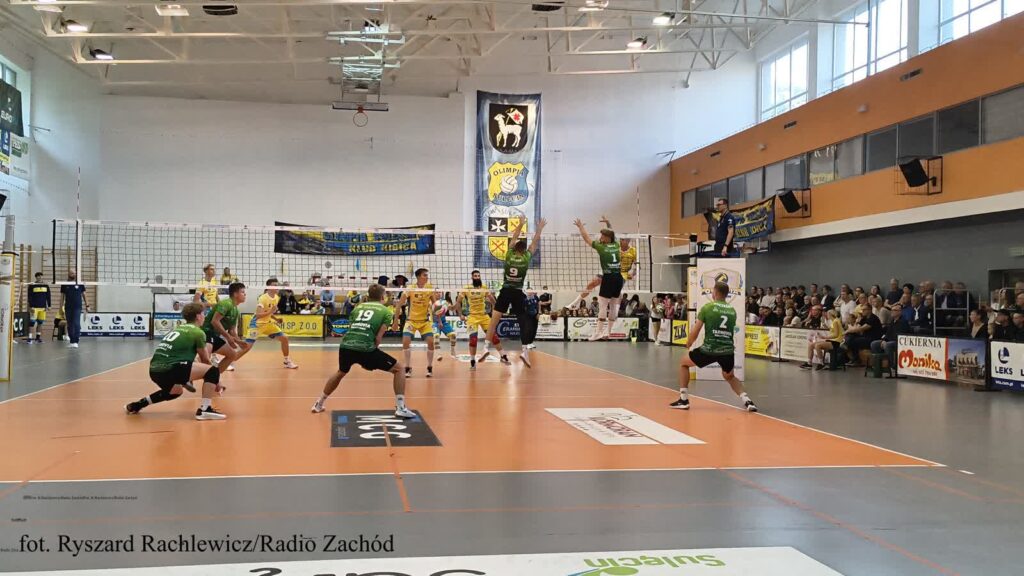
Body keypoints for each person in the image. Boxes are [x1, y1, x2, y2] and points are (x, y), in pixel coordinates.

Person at [313, 284, 414, 418]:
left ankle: (319, 404)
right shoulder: (386, 312)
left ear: (368, 296)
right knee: (399, 369)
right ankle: (401, 407)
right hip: (365, 348)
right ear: (383, 297)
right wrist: (369, 360)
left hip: (346, 345)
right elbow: (378, 339)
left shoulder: (358, 308)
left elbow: (353, 328)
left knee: (340, 372)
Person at [125, 303, 226, 420]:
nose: (204, 316)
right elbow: (205, 360)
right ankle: (205, 410)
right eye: (203, 314)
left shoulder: (178, 329)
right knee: (213, 371)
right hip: (171, 368)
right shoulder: (198, 332)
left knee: (175, 391)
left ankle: (138, 404)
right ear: (198, 316)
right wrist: (217, 381)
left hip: (154, 370)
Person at [672, 281, 756, 412]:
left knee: (683, 363)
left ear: (715, 292)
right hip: (727, 350)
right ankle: (748, 401)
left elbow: (696, 329)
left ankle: (683, 399)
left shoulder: (708, 307)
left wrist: (689, 343)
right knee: (729, 376)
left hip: (709, 349)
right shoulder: (732, 311)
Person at [482, 217, 546, 367]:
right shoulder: (526, 258)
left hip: (505, 291)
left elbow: (514, 236)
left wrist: (521, 224)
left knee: (494, 320)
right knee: (523, 322)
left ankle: (485, 347)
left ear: (515, 247)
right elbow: (535, 242)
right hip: (517, 292)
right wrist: (539, 229)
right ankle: (524, 351)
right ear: (524, 250)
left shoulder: (509, 255)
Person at [457, 270, 508, 370]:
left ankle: (503, 356)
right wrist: (460, 315)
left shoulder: (484, 288)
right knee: (473, 340)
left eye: (478, 276)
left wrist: (496, 311)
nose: (477, 277)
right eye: (475, 276)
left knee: (494, 337)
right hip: (472, 317)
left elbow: (493, 300)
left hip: (484, 316)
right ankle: (472, 361)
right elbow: (458, 302)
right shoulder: (466, 288)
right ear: (472, 277)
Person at [392, 268, 437, 377]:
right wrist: (395, 322)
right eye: (424, 275)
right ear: (418, 277)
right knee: (405, 342)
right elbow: (399, 305)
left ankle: (429, 367)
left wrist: (441, 308)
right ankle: (408, 367)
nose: (427, 277)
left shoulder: (429, 288)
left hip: (424, 322)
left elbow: (435, 304)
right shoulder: (410, 288)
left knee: (431, 343)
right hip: (411, 321)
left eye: (427, 275)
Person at [245, 278, 299, 369]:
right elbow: (258, 315)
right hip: (257, 324)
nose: (277, 287)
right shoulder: (263, 298)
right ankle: (230, 361)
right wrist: (271, 312)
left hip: (268, 324)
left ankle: (287, 361)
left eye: (277, 285)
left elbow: (269, 312)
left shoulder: (277, 297)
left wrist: (276, 319)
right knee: (247, 347)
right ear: (269, 287)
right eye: (275, 285)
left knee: (284, 339)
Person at [203, 282, 250, 373]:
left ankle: (214, 375)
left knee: (233, 355)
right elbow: (214, 321)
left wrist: (239, 341)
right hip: (206, 333)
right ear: (235, 294)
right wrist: (228, 337)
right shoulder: (226, 304)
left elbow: (232, 330)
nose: (245, 295)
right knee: (204, 360)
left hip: (214, 336)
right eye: (242, 292)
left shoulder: (236, 310)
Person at [59, 271, 89, 349]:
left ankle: (76, 341)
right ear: (68, 274)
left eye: (75, 273)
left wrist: (87, 305)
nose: (74, 274)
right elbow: (62, 297)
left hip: (77, 307)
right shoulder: (64, 284)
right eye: (72, 273)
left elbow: (84, 295)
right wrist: (60, 308)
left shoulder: (80, 284)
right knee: (70, 324)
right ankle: (72, 341)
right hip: (68, 307)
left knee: (76, 323)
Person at [25, 272, 51, 343]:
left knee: (40, 323)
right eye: (38, 276)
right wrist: (31, 306)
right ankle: (30, 338)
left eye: (41, 276)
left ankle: (38, 338)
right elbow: (29, 297)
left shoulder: (46, 285)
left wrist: (49, 305)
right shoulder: (32, 285)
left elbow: (48, 296)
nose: (40, 277)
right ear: (36, 277)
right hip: (34, 307)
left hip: (43, 308)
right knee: (32, 323)